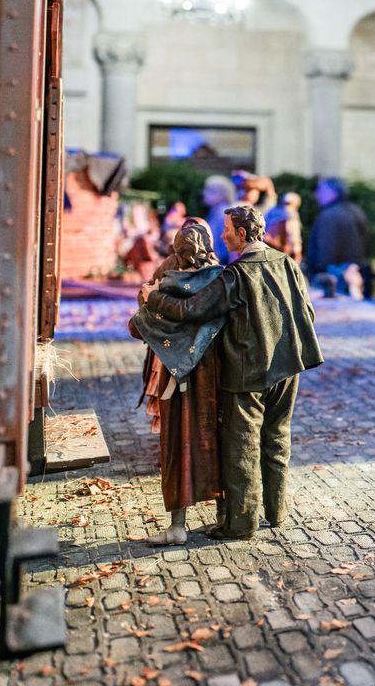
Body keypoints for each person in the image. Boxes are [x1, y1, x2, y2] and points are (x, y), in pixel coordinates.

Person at [140, 204, 323, 540]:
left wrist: (153, 299)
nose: (221, 235)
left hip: (247, 373)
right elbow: (306, 311)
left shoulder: (236, 275)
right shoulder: (288, 264)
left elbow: (189, 310)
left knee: (242, 445)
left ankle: (240, 524)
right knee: (277, 438)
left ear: (242, 233)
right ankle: (277, 511)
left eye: (226, 229)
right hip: (287, 369)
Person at [129, 219, 225, 546]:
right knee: (216, 440)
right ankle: (224, 515)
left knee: (177, 446)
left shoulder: (166, 287)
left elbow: (135, 326)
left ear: (177, 253)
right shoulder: (223, 280)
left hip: (176, 378)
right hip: (214, 378)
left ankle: (177, 526)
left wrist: (149, 297)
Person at [305, 178, 370, 299]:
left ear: (333, 192)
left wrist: (317, 271)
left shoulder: (328, 215)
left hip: (334, 276)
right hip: (356, 271)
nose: (316, 194)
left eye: (320, 190)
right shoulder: (356, 210)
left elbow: (325, 248)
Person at [202, 175, 238, 264]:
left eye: (210, 190)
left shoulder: (225, 213)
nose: (204, 193)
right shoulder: (214, 211)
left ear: (223, 193)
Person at [265, 191, 304, 264]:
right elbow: (293, 234)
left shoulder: (272, 211)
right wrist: (297, 253)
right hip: (280, 250)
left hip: (267, 249)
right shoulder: (291, 213)